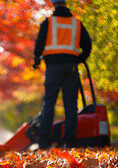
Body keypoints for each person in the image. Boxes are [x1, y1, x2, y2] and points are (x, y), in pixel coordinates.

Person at [33, 0, 92, 149]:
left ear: (54, 5)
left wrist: (36, 60)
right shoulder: (76, 24)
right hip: (70, 66)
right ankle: (70, 141)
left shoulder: (48, 22)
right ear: (65, 4)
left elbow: (39, 44)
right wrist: (79, 59)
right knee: (71, 104)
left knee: (49, 103)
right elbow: (88, 44)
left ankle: (43, 142)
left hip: (53, 67)